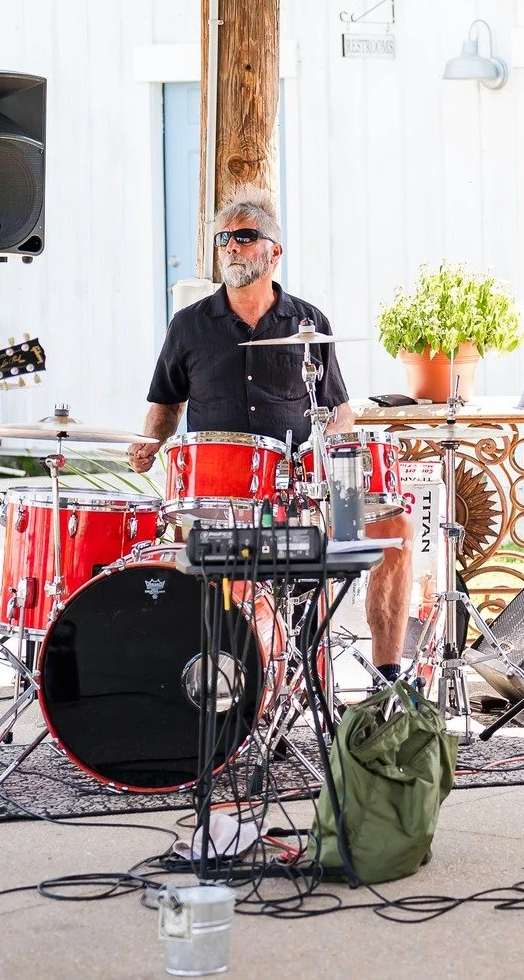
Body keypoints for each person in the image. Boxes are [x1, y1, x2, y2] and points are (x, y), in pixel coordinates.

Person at [130, 188, 411, 681]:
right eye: (223, 240)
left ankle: (389, 678)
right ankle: (243, 674)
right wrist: (150, 445)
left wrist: (323, 457)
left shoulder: (308, 324)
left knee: (396, 528)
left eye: (244, 236)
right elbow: (166, 404)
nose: (231, 247)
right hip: (215, 500)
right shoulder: (189, 326)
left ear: (274, 251)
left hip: (298, 494)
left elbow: (339, 412)